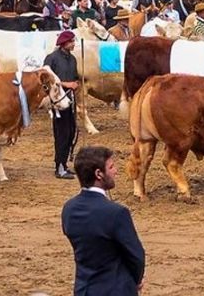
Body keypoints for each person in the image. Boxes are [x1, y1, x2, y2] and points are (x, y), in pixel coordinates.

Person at [61, 146, 145, 295]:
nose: (116, 171)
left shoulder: (69, 209)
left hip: (84, 289)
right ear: (98, 174)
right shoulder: (117, 213)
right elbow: (136, 255)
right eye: (111, 167)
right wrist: (136, 280)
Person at [44, 30, 82, 179]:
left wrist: (76, 84)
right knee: (61, 134)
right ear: (64, 43)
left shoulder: (72, 59)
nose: (73, 44)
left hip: (70, 100)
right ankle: (59, 166)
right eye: (71, 41)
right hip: (58, 103)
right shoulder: (52, 58)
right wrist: (67, 84)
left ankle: (64, 164)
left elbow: (74, 78)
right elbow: (46, 79)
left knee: (71, 132)